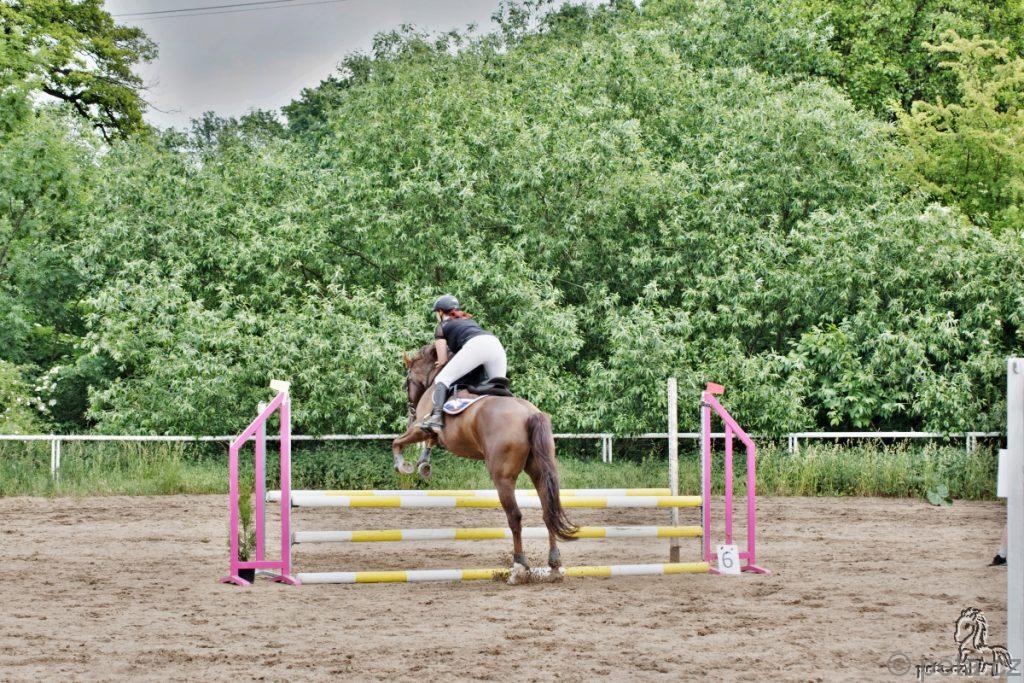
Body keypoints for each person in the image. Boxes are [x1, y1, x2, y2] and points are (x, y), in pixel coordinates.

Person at [419, 294, 507, 434]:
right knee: (499, 386)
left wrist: (439, 363)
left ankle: (436, 418)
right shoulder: (469, 321)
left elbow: (443, 360)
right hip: (496, 345)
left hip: (476, 345)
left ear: (440, 312)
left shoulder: (441, 327)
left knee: (442, 379)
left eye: (436, 312)